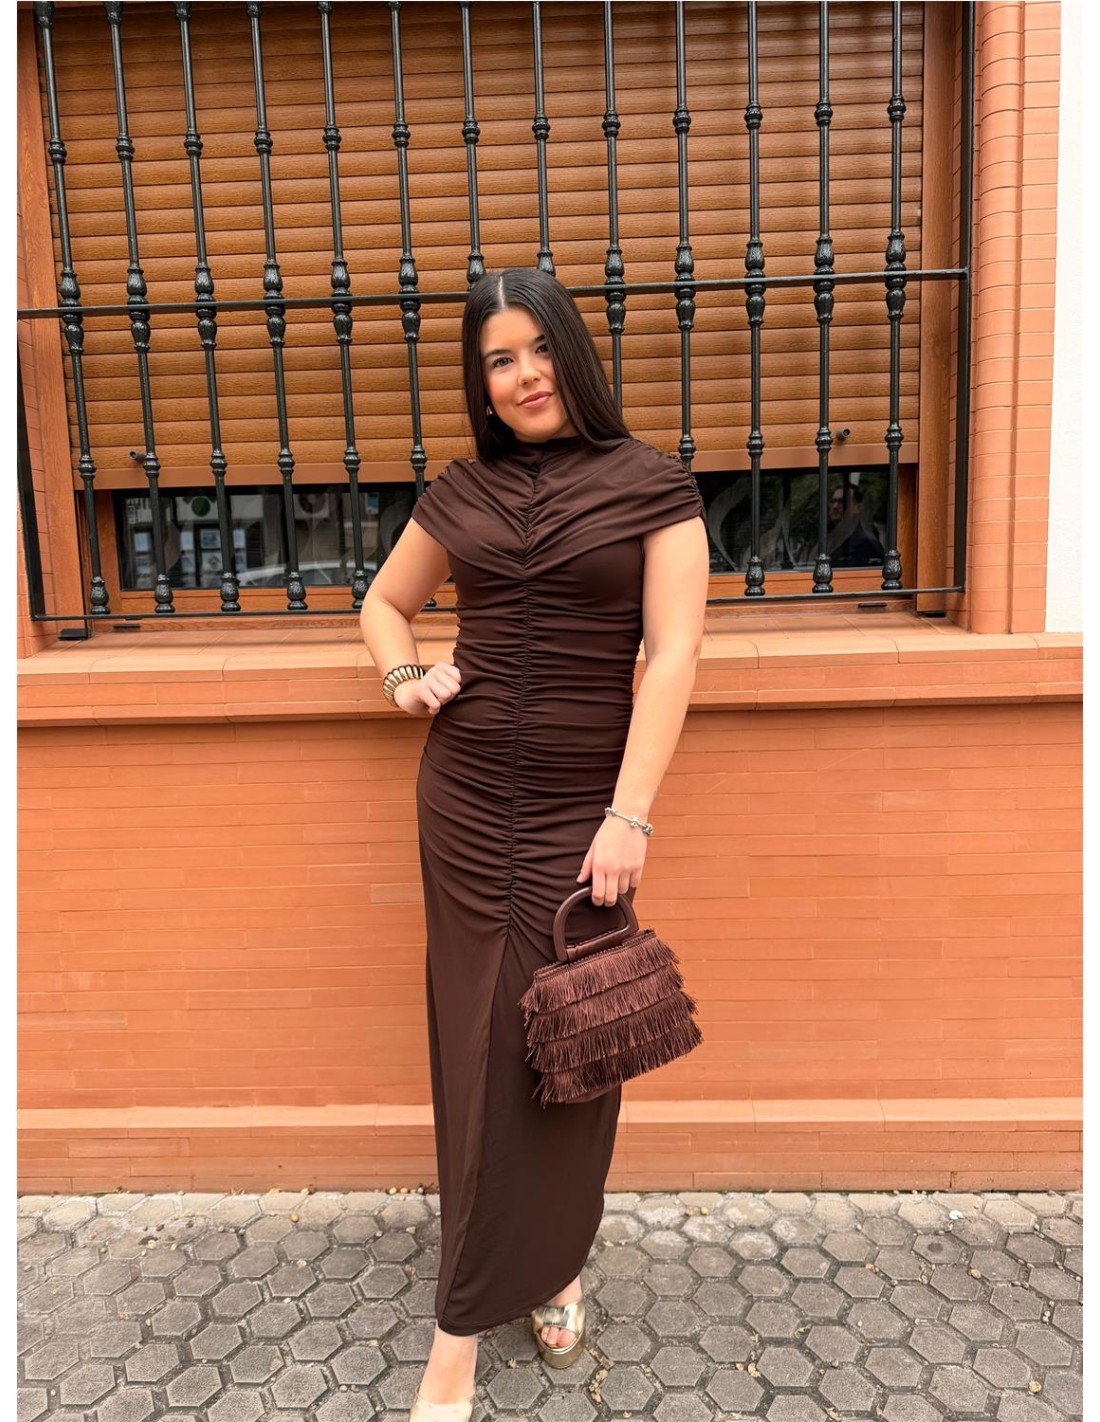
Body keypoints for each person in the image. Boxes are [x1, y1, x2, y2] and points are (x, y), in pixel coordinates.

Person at [359, 267, 709, 1420]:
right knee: (473, 1053)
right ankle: (459, 1332)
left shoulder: (651, 485)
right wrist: (404, 678)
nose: (522, 375)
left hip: (580, 813)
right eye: (497, 360)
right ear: (482, 382)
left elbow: (671, 656)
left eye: (536, 347)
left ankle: (553, 1261)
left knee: (565, 1049)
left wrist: (628, 815)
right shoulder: (458, 490)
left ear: (572, 349)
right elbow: (383, 603)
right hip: (463, 804)